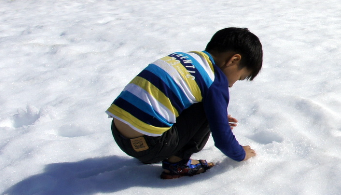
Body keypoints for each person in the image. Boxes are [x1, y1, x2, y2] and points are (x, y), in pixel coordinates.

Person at [107, 27, 261, 179]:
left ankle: (154, 150)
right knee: (206, 106)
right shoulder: (214, 81)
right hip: (150, 145)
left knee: (200, 101)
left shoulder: (182, 57)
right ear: (234, 60)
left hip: (120, 135)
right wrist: (242, 154)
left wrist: (217, 116)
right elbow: (223, 141)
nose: (232, 84)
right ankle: (177, 165)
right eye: (240, 77)